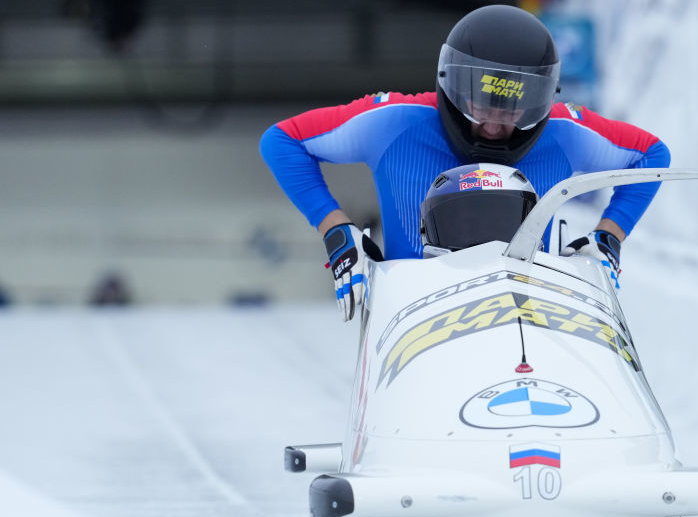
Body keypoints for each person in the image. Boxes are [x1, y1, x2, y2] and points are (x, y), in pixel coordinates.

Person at [260, 4, 671, 321]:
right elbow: (282, 140)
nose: (494, 126)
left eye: (512, 111)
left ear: (541, 101)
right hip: (412, 319)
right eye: (482, 105)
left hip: (530, 321)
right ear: (453, 85)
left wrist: (608, 237)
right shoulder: (393, 122)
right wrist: (336, 230)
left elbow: (652, 154)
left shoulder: (565, 132)